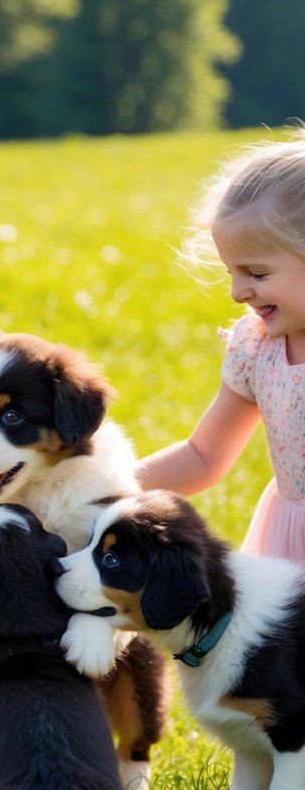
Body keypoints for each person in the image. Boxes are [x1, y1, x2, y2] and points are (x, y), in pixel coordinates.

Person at [136, 129, 305, 563]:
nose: (237, 292)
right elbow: (204, 455)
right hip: (289, 549)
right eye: (232, 271)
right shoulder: (259, 351)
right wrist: (104, 489)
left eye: (256, 273)